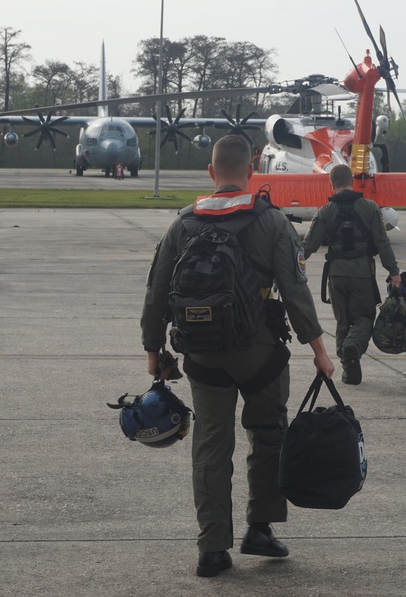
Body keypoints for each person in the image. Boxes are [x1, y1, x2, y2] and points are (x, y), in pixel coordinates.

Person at [141, 134, 336, 579]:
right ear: (251, 170)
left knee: (211, 446)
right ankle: (260, 529)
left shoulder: (183, 223)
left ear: (211, 173)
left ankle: (211, 548)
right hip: (260, 351)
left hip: (204, 356)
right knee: (267, 435)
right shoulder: (271, 221)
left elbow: (155, 294)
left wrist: (154, 350)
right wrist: (319, 350)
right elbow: (294, 289)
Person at [302, 164, 401, 385]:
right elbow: (382, 243)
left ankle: (349, 369)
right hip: (361, 274)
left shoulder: (325, 211)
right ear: (352, 181)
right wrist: (393, 271)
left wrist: (289, 266)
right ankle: (352, 348)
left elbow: (307, 246)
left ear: (331, 183)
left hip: (336, 276)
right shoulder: (370, 208)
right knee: (364, 318)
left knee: (343, 321)